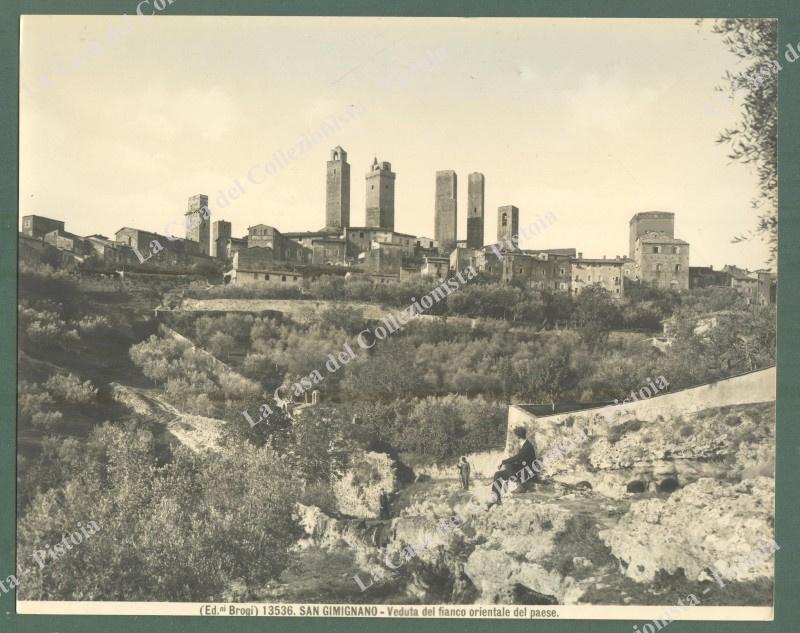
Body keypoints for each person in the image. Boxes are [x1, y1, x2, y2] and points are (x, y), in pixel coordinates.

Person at [489, 426, 538, 506]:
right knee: (498, 474)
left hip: (527, 472)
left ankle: (519, 483)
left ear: (518, 436)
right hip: (521, 471)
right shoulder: (524, 444)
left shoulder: (527, 446)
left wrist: (504, 462)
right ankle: (496, 498)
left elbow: (518, 457)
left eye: (515, 435)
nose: (514, 437)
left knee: (508, 465)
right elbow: (520, 459)